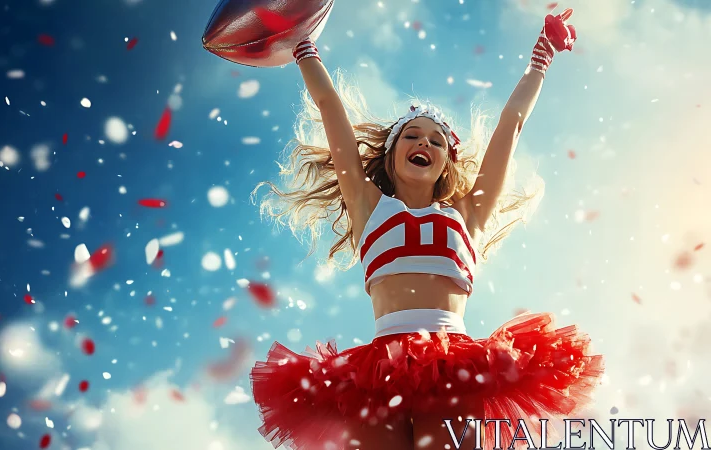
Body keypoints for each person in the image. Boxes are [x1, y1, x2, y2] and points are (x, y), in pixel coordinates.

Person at [250, 8, 603, 450]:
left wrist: (542, 56)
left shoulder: (468, 214)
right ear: (391, 153)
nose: (425, 143)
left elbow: (511, 124)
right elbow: (329, 106)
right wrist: (304, 48)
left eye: (437, 141)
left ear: (445, 164)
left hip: (454, 362)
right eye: (412, 136)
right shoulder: (366, 204)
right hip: (376, 372)